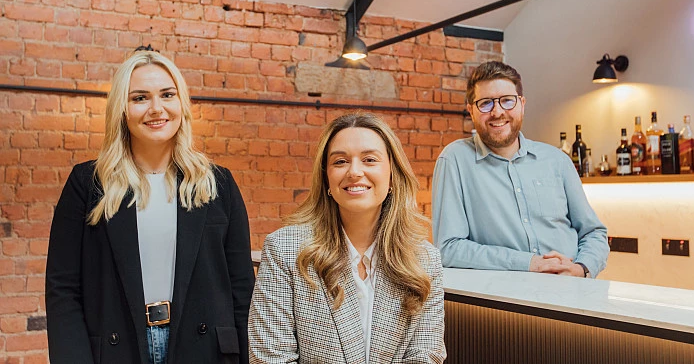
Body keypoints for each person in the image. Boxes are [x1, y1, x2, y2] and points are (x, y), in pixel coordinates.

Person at [46, 48, 255, 364]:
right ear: (122, 110)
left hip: (205, 352)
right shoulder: (88, 183)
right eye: (140, 98)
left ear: (181, 104)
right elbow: (62, 290)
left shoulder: (218, 184)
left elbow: (242, 289)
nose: (157, 109)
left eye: (167, 95)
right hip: (119, 350)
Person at [249, 113, 446, 364]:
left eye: (369, 160)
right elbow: (270, 358)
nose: (354, 172)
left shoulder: (424, 259)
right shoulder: (285, 249)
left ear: (392, 177)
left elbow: (425, 356)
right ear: (327, 180)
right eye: (340, 161)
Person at [432, 61, 609, 278]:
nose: (497, 112)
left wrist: (580, 269)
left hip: (574, 293)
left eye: (507, 101)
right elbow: (449, 249)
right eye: (485, 103)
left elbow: (594, 233)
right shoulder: (454, 160)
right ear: (471, 111)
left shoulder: (557, 160)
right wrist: (530, 263)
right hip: (506, 304)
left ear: (522, 104)